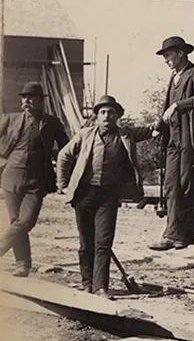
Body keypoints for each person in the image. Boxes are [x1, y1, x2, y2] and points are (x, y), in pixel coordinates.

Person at [57, 95, 156, 297]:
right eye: (103, 112)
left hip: (109, 197)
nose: (107, 115)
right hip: (84, 195)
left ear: (118, 115)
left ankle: (101, 287)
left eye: (111, 112)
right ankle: (87, 283)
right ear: (96, 116)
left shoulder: (126, 135)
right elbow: (63, 156)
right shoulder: (85, 135)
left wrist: (170, 113)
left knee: (103, 242)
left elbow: (151, 129)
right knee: (86, 244)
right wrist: (65, 185)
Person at [0, 82, 69, 277]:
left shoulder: (52, 123)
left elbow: (66, 150)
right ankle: (23, 264)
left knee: (26, 221)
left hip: (37, 179)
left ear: (41, 101)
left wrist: (68, 176)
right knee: (16, 220)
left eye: (31, 98)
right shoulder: (10, 119)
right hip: (11, 175)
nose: (26, 101)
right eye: (24, 97)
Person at [149, 36, 194, 251]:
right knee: (172, 185)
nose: (166, 60)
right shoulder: (173, 78)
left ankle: (184, 235)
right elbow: (166, 106)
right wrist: (158, 127)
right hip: (173, 138)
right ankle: (173, 233)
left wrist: (178, 105)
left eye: (168, 55)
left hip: (188, 137)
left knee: (185, 184)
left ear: (181, 53)